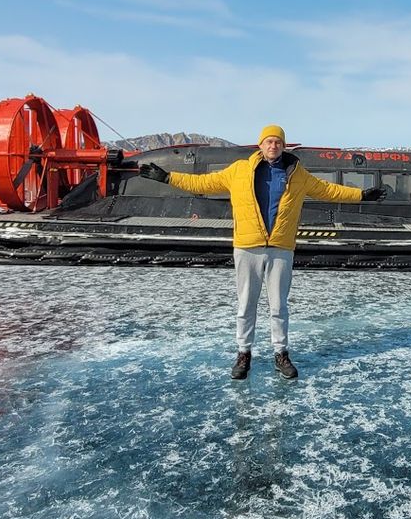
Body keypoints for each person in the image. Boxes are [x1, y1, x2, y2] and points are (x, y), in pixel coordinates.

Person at [139, 124, 385, 380]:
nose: (273, 146)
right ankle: (243, 353)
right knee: (246, 304)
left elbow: (328, 190)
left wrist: (362, 195)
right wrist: (168, 177)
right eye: (268, 141)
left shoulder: (298, 175)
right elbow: (204, 182)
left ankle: (281, 353)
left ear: (283, 145)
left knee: (279, 305)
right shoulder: (239, 171)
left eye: (277, 142)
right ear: (260, 145)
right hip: (247, 247)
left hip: (281, 248)